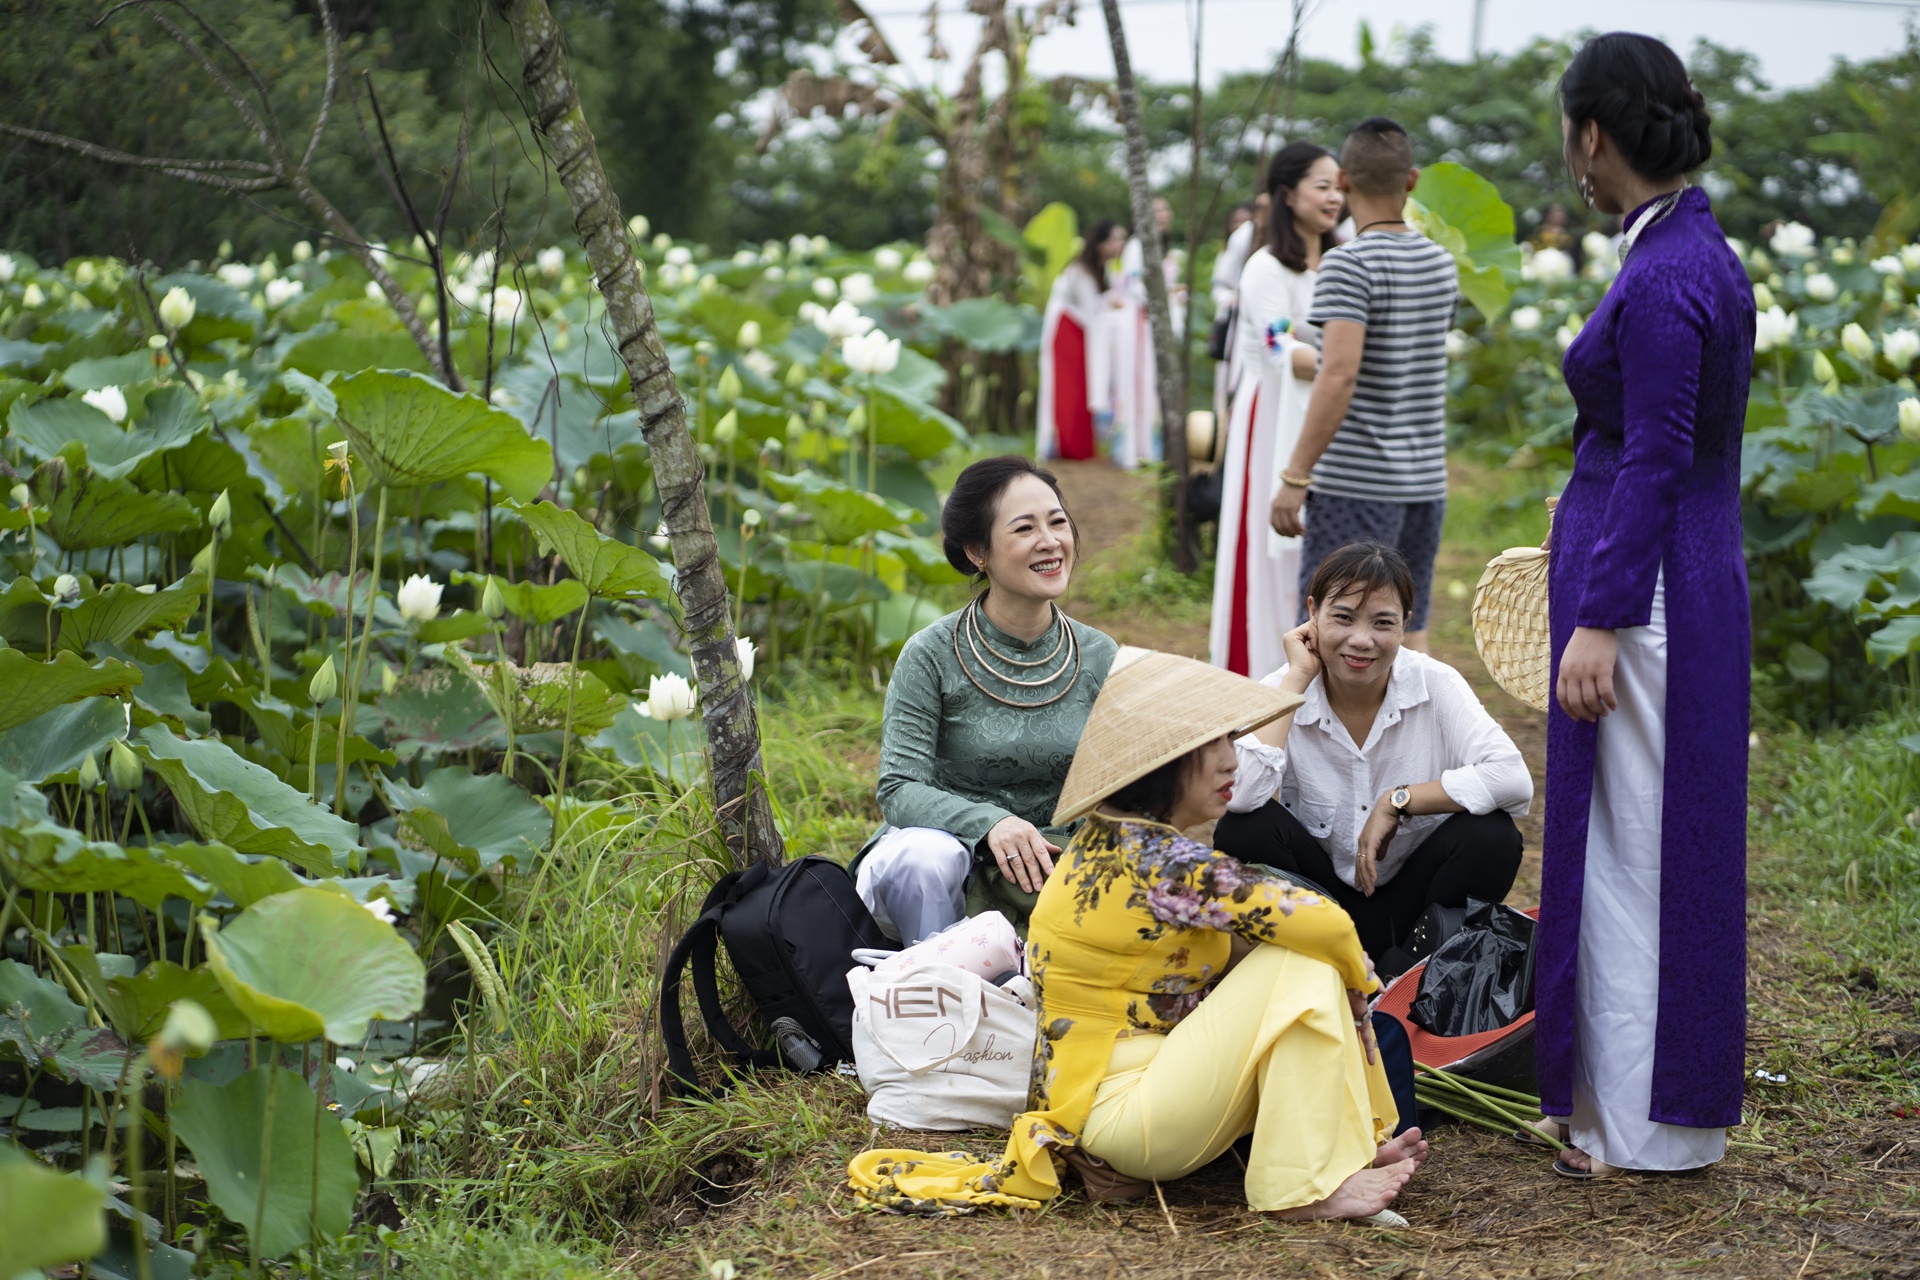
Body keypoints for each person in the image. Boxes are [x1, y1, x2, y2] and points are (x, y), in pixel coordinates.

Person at [849, 649, 1424, 1220]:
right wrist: (1355, 981)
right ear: (1165, 763)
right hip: (1127, 1111)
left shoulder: (1108, 839)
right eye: (1216, 746)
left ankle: (1340, 1154)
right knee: (1308, 961)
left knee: (1301, 961)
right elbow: (1323, 920)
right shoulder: (1158, 859)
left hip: (1117, 1101)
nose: (1233, 763)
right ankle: (1305, 1190)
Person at [1531, 32, 1751, 1180]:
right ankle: (1643, 1109)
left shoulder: (1665, 276)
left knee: (1634, 848)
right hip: (1689, 575)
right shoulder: (1693, 248)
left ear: (1594, 135)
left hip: (1652, 594)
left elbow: (1659, 454)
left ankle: (1638, 1123)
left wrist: (1601, 615)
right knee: (1664, 834)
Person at [1214, 542, 1530, 968]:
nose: (1361, 641)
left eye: (1383, 623)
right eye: (1342, 617)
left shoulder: (1434, 684)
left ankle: (1409, 976)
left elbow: (1513, 779)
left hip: (1417, 911)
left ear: (1405, 626)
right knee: (1243, 830)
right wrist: (1296, 682)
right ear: (1313, 612)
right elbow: (1240, 795)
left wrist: (1398, 800)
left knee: (1492, 835)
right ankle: (1315, 963)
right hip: (1317, 905)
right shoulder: (1284, 685)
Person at [857, 455, 1119, 943]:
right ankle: (935, 989)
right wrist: (992, 823)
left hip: (1055, 866)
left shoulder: (1101, 655)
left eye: (1058, 522)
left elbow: (1122, 784)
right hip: (947, 866)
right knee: (924, 858)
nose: (1050, 541)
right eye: (1024, 529)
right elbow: (898, 788)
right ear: (978, 551)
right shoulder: (930, 654)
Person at [1268, 118, 1457, 652]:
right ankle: (1416, 737)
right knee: (1405, 629)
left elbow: (1339, 372)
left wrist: (1295, 475)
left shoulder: (1347, 263)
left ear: (1345, 181)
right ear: (1412, 180)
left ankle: (1321, 738)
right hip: (1424, 483)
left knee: (1329, 632)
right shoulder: (1440, 264)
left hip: (1356, 484)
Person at [1209, 143, 1344, 679]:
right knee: (1272, 546)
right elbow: (1275, 343)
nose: (1335, 197)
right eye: (1322, 186)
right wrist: (1343, 363)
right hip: (1271, 418)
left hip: (1327, 415)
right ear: (1288, 194)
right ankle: (1263, 673)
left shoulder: (1343, 259)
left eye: (1340, 186)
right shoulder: (1265, 267)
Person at [1037, 220, 1125, 462]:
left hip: (1085, 331)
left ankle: (1083, 446)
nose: (1120, 244)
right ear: (1099, 244)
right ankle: (1070, 446)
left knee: (1082, 385)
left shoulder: (1103, 269)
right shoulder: (1080, 271)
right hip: (1068, 330)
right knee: (1070, 387)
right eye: (1115, 239)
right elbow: (1092, 309)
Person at [1111, 196, 1183, 469]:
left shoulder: (1165, 249)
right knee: (1136, 381)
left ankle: (1151, 446)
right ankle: (1131, 447)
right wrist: (1162, 296)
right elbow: (1132, 285)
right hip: (1139, 323)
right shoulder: (1136, 246)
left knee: (1153, 383)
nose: (1163, 215)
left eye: (1166, 209)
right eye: (1156, 211)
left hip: (1156, 322)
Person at [1208, 201, 1257, 429]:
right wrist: (1231, 299)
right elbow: (1219, 284)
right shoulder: (1242, 238)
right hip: (1235, 322)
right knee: (1228, 380)